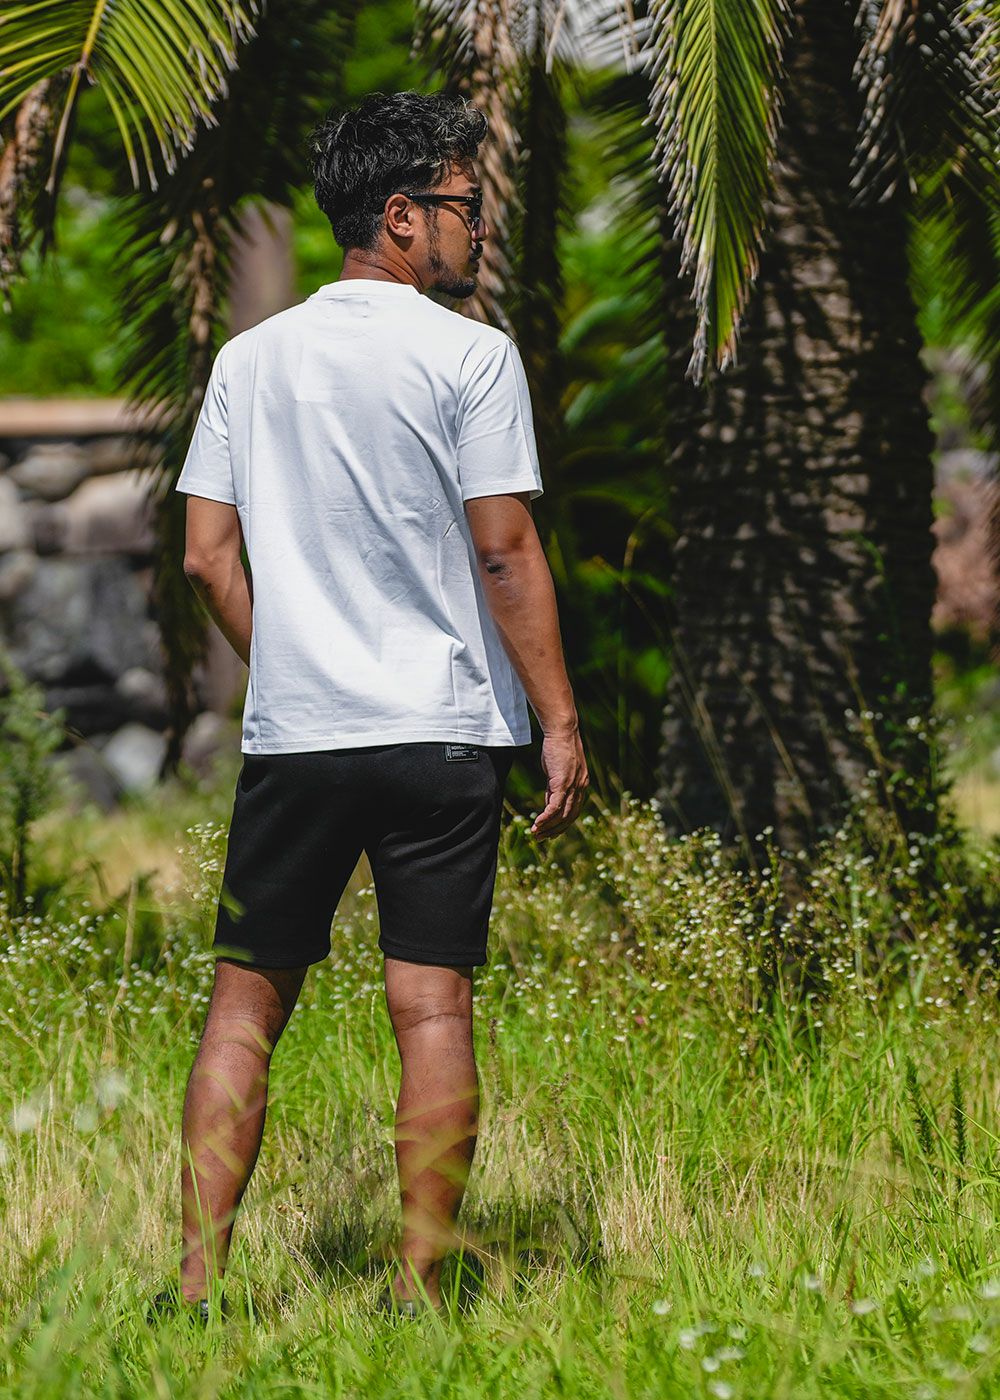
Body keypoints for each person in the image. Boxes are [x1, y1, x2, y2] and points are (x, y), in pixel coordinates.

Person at [168, 89, 588, 1320]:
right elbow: (503, 548)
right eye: (463, 204)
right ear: (400, 215)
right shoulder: (470, 356)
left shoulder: (249, 359)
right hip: (442, 733)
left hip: (299, 736)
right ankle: (421, 1284)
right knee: (432, 1006)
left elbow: (205, 558)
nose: (477, 227)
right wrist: (559, 718)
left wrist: (294, 662)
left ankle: (194, 1288)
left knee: (244, 1010)